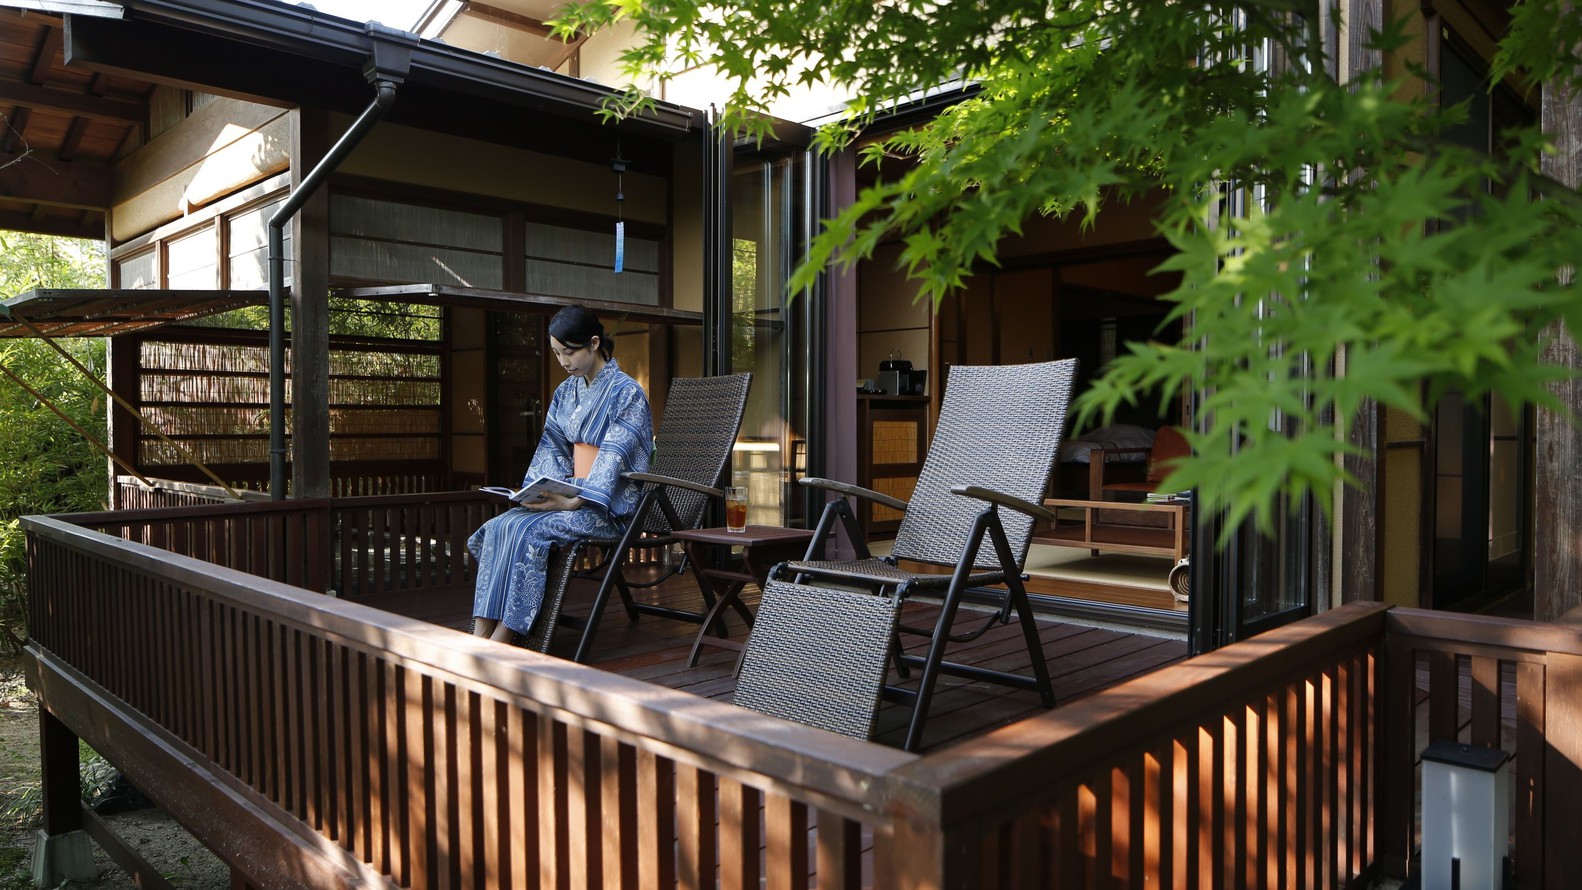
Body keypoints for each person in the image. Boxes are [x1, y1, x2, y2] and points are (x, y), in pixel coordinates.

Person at [468, 306, 654, 644]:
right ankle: (481, 628)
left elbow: (614, 458)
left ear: (594, 343)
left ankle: (506, 633)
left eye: (569, 352)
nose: (563, 361)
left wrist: (573, 501)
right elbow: (552, 447)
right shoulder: (566, 392)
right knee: (501, 525)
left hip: (607, 506)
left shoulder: (627, 393)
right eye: (556, 353)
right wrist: (541, 493)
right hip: (569, 494)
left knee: (530, 531)